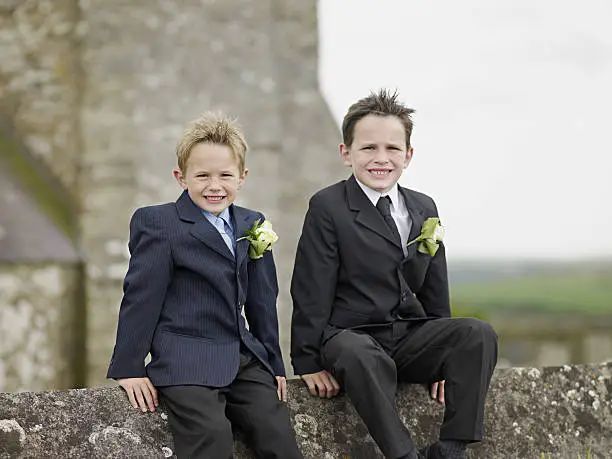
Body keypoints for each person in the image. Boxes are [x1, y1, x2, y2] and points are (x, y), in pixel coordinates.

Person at [290, 89, 498, 459]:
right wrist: (306, 362)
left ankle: (451, 448)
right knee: (357, 353)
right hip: (352, 337)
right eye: (368, 148)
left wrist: (442, 360)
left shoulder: (423, 206)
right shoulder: (328, 207)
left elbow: (436, 284)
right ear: (346, 153)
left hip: (409, 335)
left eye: (392, 149)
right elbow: (310, 287)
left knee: (477, 333)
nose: (381, 159)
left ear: (409, 155)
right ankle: (403, 454)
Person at [107, 112, 302, 459]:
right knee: (212, 438)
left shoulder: (252, 223)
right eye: (202, 176)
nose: (215, 186)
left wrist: (273, 362)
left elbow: (262, 299)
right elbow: (142, 297)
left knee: (279, 437)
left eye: (225, 175)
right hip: (185, 358)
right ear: (181, 178)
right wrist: (128, 367)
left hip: (242, 357)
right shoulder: (159, 222)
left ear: (242, 178)